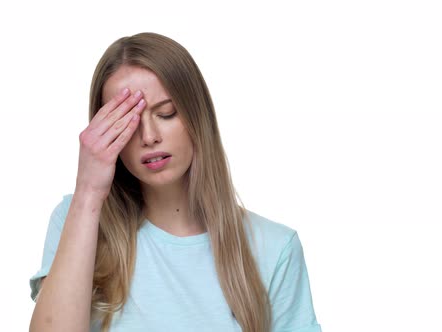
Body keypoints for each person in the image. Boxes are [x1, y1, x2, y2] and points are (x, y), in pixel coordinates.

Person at [28, 32, 322, 332]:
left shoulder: (274, 247)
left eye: (166, 113)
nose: (150, 136)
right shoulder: (76, 220)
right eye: (127, 121)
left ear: (198, 116)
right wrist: (88, 192)